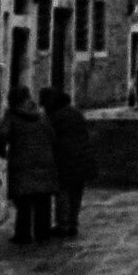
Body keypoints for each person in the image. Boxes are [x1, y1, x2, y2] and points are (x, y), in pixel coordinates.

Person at [0, 83, 58, 245]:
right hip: (44, 162)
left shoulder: (12, 116)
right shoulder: (41, 115)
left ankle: (23, 235)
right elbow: (52, 136)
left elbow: (2, 135)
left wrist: (0, 151)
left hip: (22, 162)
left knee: (23, 202)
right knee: (42, 200)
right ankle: (42, 233)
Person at [40, 85, 97, 237]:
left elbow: (50, 137)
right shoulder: (76, 113)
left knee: (63, 191)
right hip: (82, 158)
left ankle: (63, 224)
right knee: (76, 193)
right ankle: (72, 222)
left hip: (65, 159)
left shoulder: (55, 117)